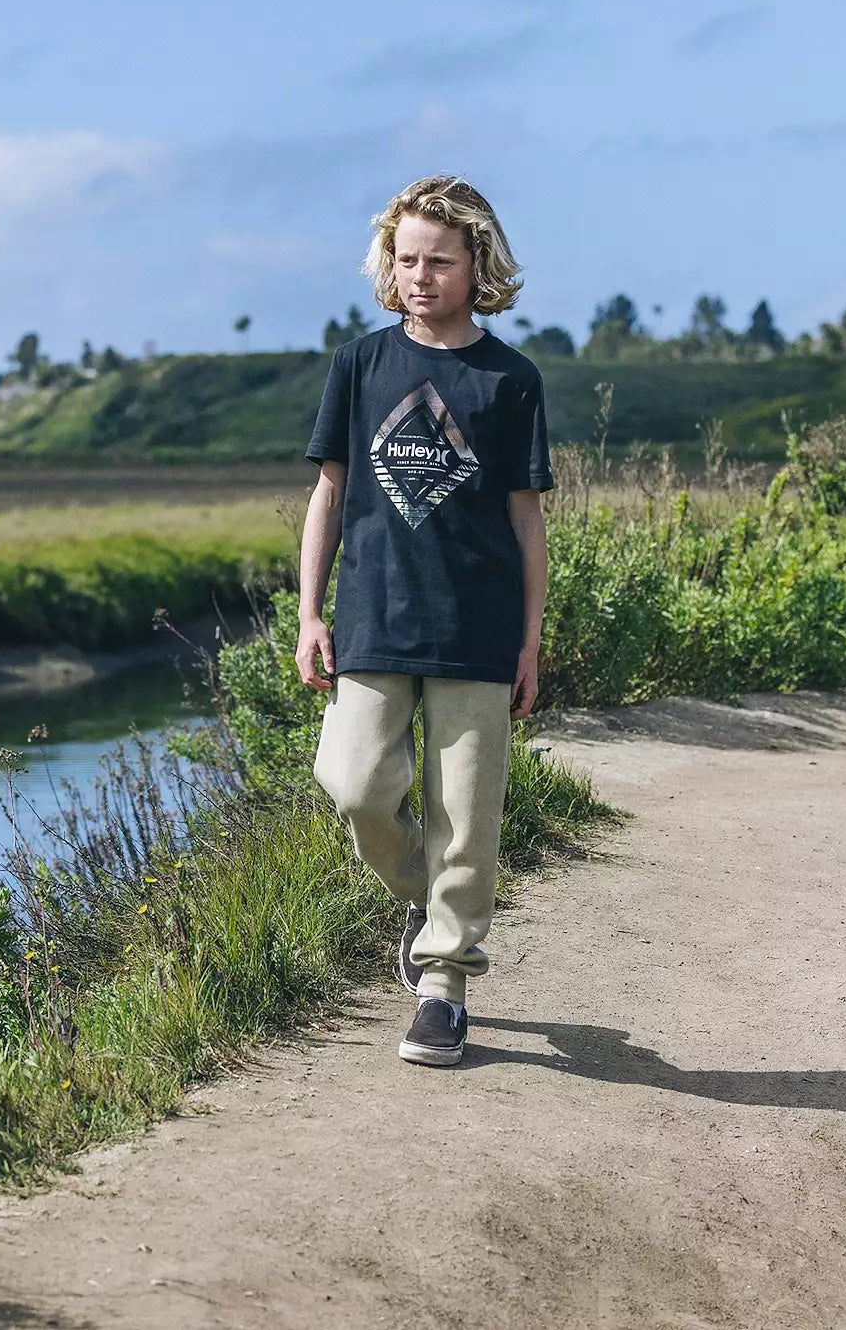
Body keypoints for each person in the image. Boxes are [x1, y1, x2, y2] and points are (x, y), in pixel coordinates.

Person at [297, 174, 552, 1067]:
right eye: (405, 260)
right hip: (371, 619)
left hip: (476, 632)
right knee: (358, 786)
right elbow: (328, 495)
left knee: (467, 815)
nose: (419, 276)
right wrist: (308, 614)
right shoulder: (361, 367)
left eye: (438, 261)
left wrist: (528, 642)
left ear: (478, 264)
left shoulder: (509, 380)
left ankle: (444, 985)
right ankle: (424, 896)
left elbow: (527, 520)